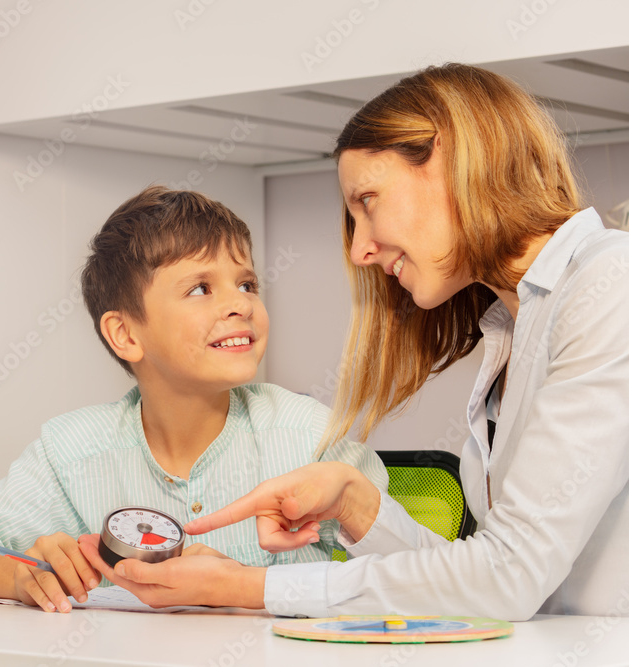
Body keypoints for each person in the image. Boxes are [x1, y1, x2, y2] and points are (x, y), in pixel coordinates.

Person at [80, 63, 629, 621]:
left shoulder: (611, 286)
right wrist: (355, 503)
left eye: (367, 200)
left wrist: (246, 587)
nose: (360, 250)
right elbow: (473, 582)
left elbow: (508, 579)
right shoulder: (509, 331)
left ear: (454, 159)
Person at [0, 185, 387, 612]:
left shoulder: (313, 436)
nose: (240, 304)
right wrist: (20, 577)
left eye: (246, 284)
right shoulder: (72, 449)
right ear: (125, 334)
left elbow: (415, 580)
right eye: (200, 288)